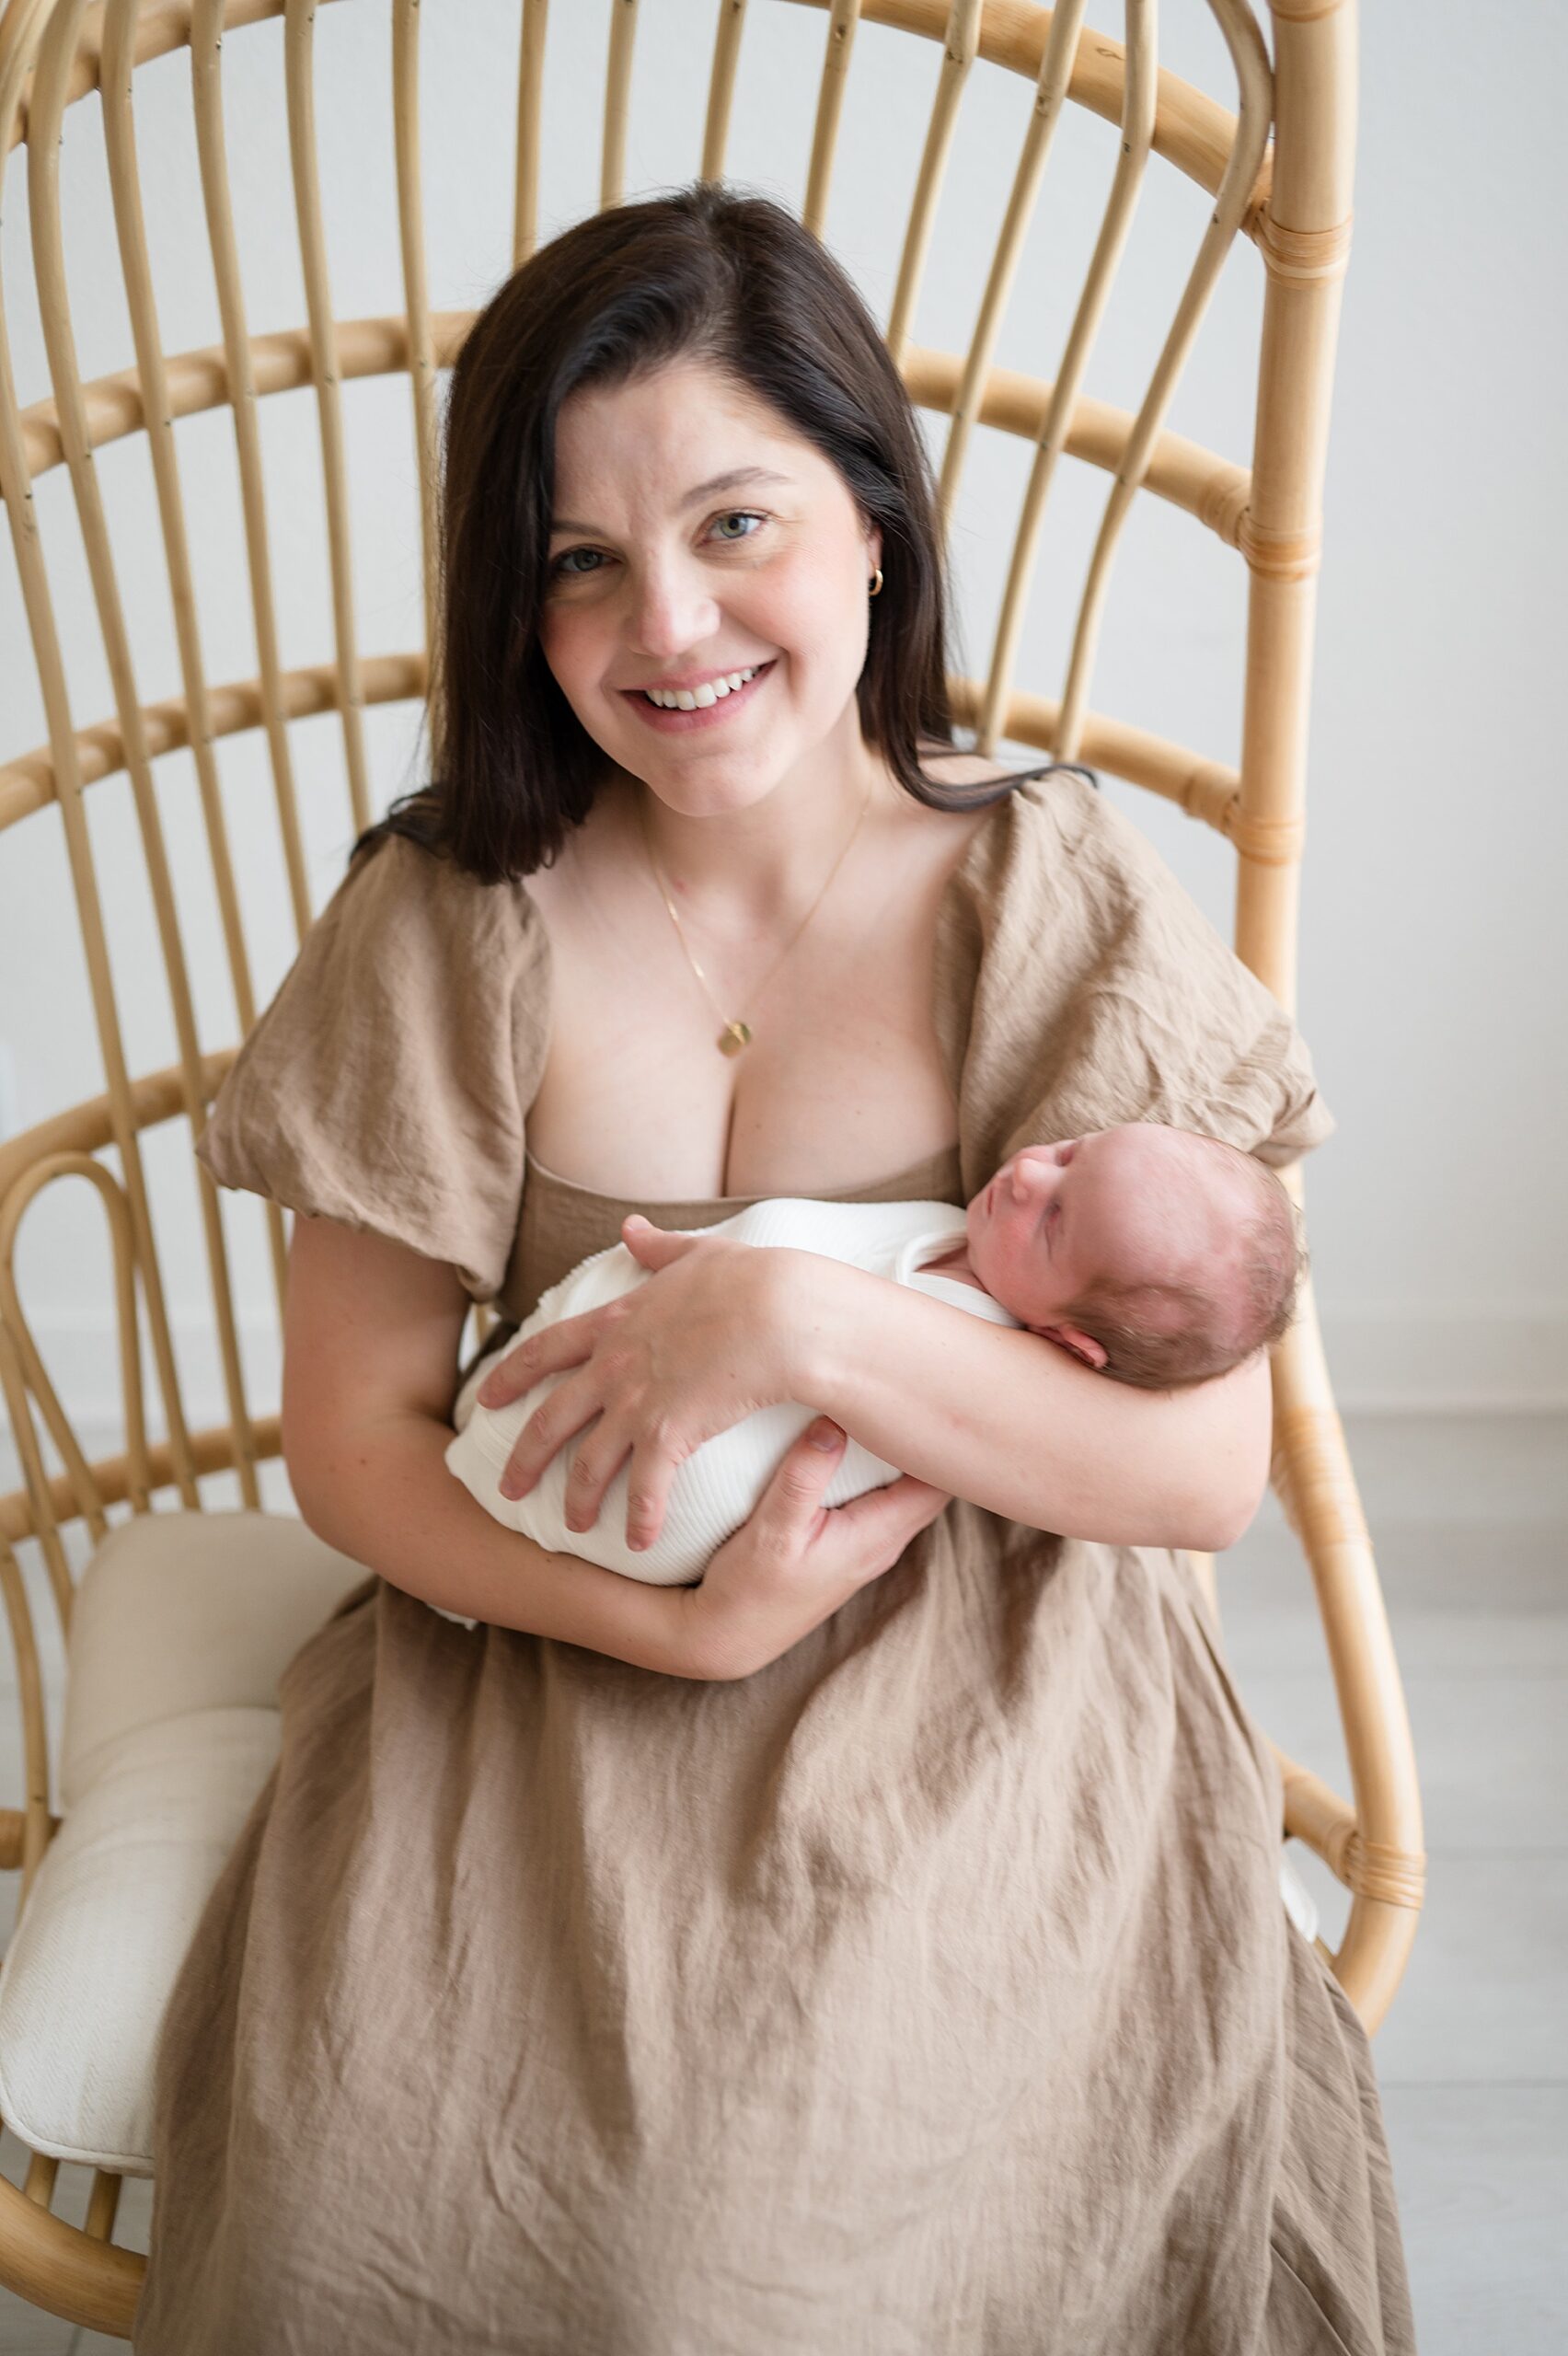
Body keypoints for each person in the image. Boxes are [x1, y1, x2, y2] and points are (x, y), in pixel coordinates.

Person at [134, 185, 1414, 2351]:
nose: (669, 622)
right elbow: (356, 1440)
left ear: (874, 528)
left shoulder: (1048, 889)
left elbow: (1194, 1471)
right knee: (430, 2187)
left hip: (980, 1683)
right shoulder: (450, 921)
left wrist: (798, 1316)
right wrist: (674, 1622)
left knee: (751, 2238)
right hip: (540, 1653)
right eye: (580, 559)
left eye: (736, 523)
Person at [443, 1124, 1305, 1588]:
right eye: (1071, 1152)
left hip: (658, 1516)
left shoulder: (982, 1372)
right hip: (538, 1441)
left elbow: (1212, 1494)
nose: (1030, 1175)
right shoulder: (953, 1237)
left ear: (1067, 1343)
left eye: (1054, 1223)